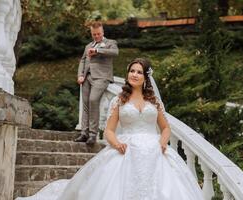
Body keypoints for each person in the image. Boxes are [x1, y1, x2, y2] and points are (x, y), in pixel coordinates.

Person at [15, 58, 204, 200]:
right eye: (132, 71)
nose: (134, 74)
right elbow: (109, 131)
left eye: (139, 72)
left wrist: (163, 142)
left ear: (145, 77)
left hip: (155, 150)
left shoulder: (154, 102)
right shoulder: (119, 100)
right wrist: (117, 144)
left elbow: (165, 128)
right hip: (127, 148)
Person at [74, 21, 119, 145]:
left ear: (102, 32)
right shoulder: (88, 46)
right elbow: (82, 61)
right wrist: (80, 75)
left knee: (93, 100)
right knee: (85, 104)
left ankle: (93, 134)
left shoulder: (110, 43)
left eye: (98, 34)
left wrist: (98, 51)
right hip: (87, 77)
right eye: (94, 35)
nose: (97, 36)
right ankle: (84, 133)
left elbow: (115, 53)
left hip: (102, 77)